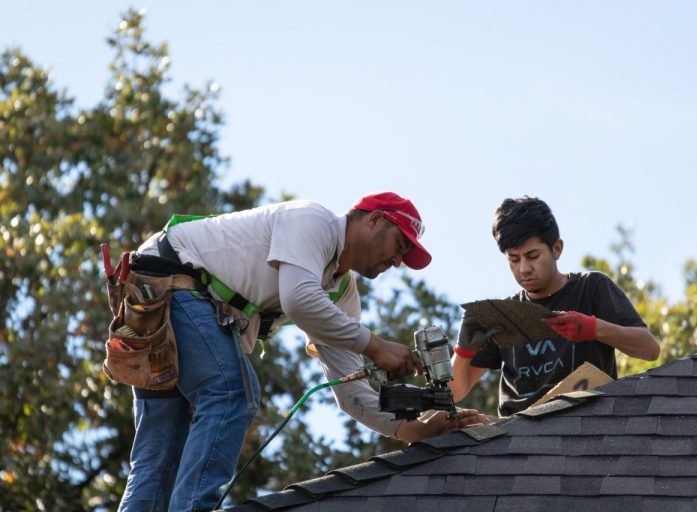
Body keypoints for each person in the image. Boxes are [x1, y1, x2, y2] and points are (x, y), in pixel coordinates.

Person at [118, 191, 480, 512]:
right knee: (232, 394)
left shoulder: (341, 292)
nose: (397, 261)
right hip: (170, 282)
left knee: (160, 452)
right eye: (399, 246)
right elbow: (299, 299)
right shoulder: (314, 220)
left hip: (159, 304)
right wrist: (376, 346)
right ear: (374, 220)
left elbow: (350, 391)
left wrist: (411, 430)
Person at [450, 196, 660, 417]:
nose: (523, 269)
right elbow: (456, 392)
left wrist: (592, 328)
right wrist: (463, 351)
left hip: (582, 426)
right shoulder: (503, 313)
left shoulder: (591, 288)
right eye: (513, 259)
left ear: (557, 249)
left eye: (533, 256)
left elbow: (650, 349)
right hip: (513, 438)